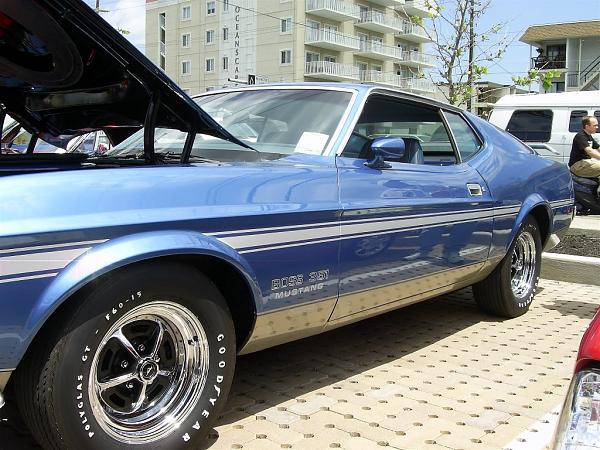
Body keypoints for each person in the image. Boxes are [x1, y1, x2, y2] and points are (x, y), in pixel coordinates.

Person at [568, 116, 600, 193]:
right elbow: (590, 151)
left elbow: (598, 148)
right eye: (594, 125)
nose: (597, 127)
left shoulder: (589, 136)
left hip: (586, 163)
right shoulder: (580, 136)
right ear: (587, 126)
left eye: (597, 125)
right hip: (577, 165)